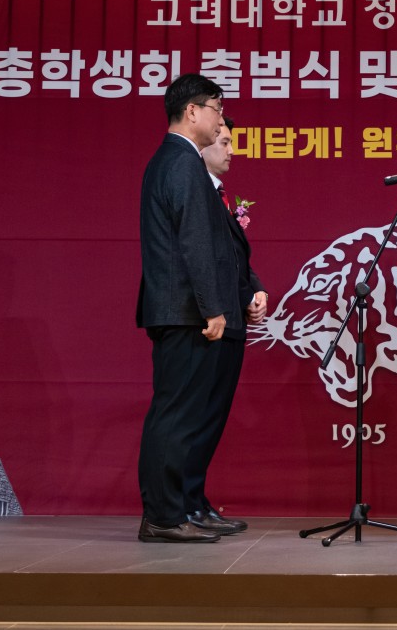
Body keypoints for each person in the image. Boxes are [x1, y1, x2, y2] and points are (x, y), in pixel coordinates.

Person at [135, 73, 243, 544]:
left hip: (185, 310)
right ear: (193, 111)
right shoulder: (180, 162)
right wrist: (212, 308)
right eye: (217, 110)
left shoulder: (181, 161)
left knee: (189, 417)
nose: (221, 121)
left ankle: (182, 507)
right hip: (184, 312)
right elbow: (194, 242)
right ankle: (162, 515)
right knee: (176, 416)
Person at [183, 117, 268, 533]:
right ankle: (181, 506)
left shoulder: (221, 197)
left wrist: (256, 290)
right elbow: (201, 259)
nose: (233, 150)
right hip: (208, 322)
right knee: (195, 418)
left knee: (212, 419)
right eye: (225, 142)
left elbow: (234, 260)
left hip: (232, 321)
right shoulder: (196, 194)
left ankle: (196, 502)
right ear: (203, 144)